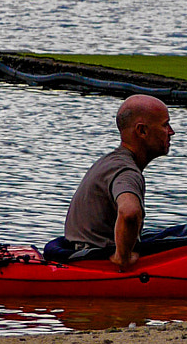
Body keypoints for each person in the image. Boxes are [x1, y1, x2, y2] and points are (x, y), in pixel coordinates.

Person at [60, 94, 173, 270]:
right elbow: (129, 212)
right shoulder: (126, 171)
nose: (171, 131)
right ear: (142, 131)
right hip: (92, 261)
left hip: (77, 248)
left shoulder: (110, 161)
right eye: (165, 125)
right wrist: (123, 258)